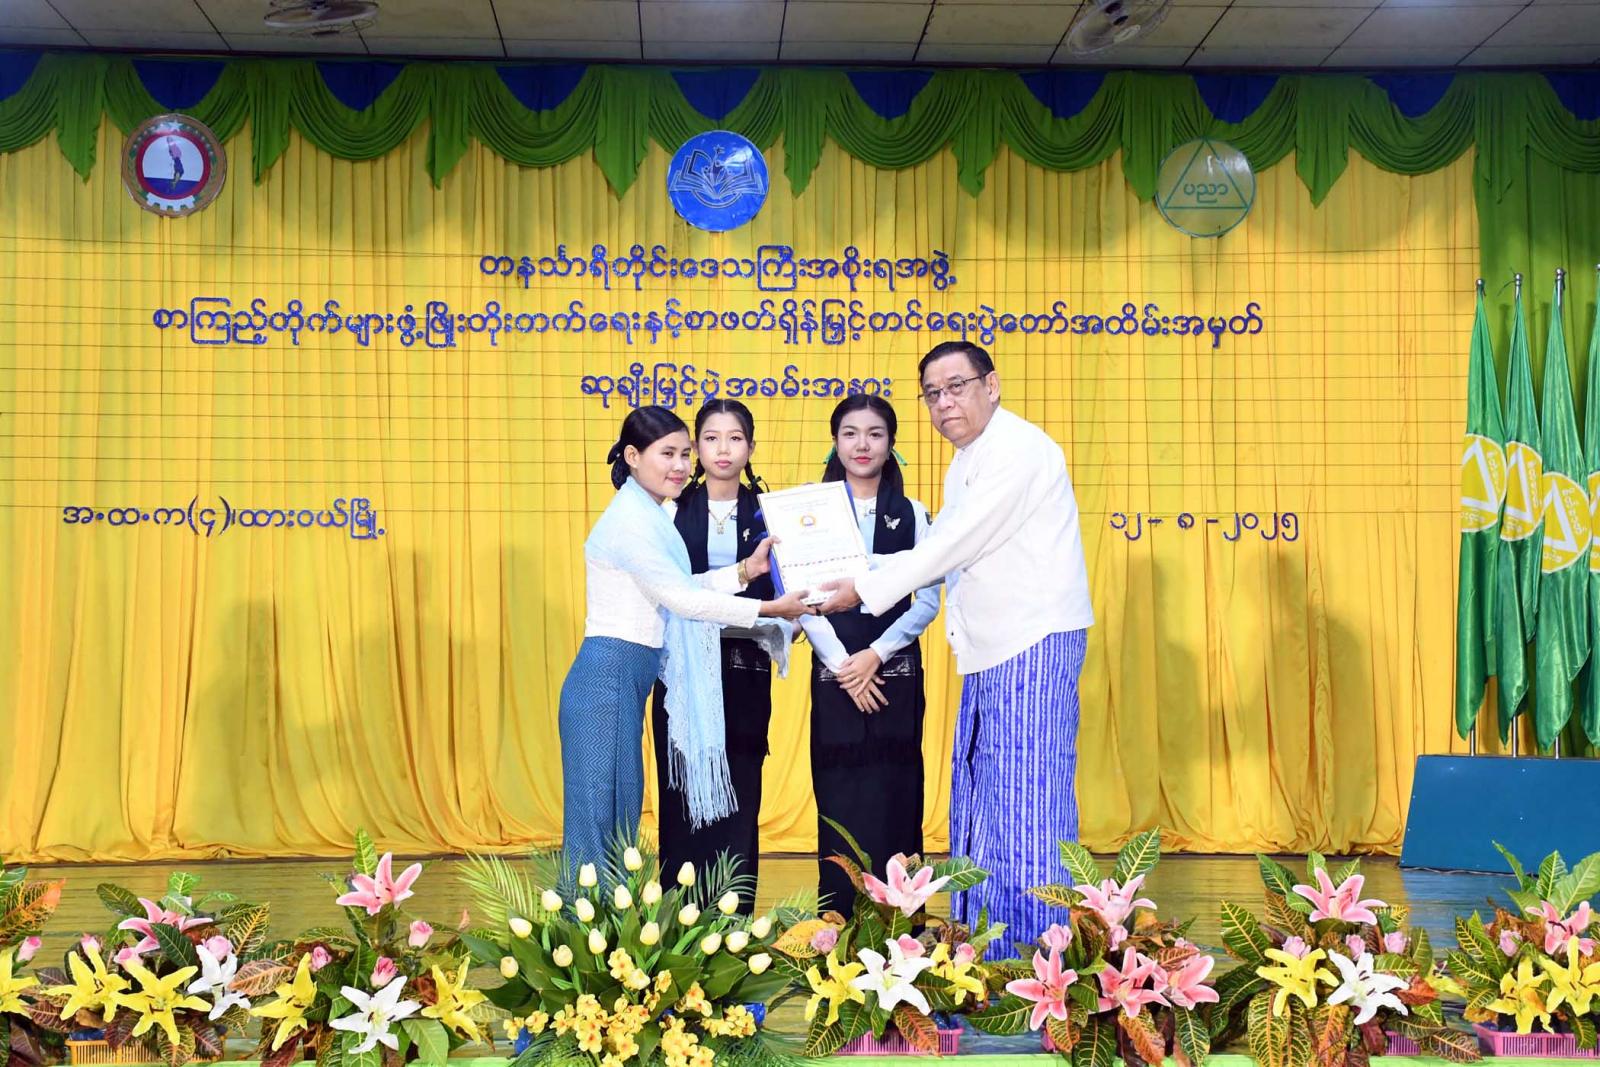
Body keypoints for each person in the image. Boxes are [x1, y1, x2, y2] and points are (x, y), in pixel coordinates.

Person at [817, 342, 1093, 951]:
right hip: (994, 651)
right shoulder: (969, 460)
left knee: (1028, 802)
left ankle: (1037, 957)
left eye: (957, 387)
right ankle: (987, 950)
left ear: (991, 385)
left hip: (1030, 643)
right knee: (986, 800)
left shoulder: (1018, 450)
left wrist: (862, 588)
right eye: (933, 394)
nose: (944, 403)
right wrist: (855, 579)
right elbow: (943, 547)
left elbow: (952, 545)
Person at [560, 405, 813, 867]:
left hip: (625, 680)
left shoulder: (651, 514)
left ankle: (604, 914)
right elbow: (683, 601)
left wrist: (745, 571)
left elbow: (684, 586)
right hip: (607, 678)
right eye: (667, 454)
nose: (679, 466)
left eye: (683, 454)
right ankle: (581, 915)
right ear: (633, 457)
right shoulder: (631, 521)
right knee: (597, 827)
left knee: (618, 817)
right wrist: (768, 608)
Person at [798, 395, 939, 916]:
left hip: (895, 676)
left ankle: (902, 926)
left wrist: (875, 655)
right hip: (835, 676)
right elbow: (802, 599)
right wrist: (845, 666)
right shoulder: (809, 511)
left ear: (891, 444)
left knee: (897, 795)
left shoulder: (914, 514)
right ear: (835, 442)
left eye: (875, 434)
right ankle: (837, 920)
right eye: (851, 433)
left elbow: (927, 601)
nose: (863, 444)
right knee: (839, 798)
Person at [650, 400, 786, 905]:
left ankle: (734, 924)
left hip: (745, 670)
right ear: (695, 449)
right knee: (681, 795)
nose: (722, 449)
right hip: (683, 673)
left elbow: (786, 594)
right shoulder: (668, 512)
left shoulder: (772, 514)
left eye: (734, 438)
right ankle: (676, 923)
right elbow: (666, 593)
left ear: (751, 447)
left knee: (740, 792)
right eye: (711, 438)